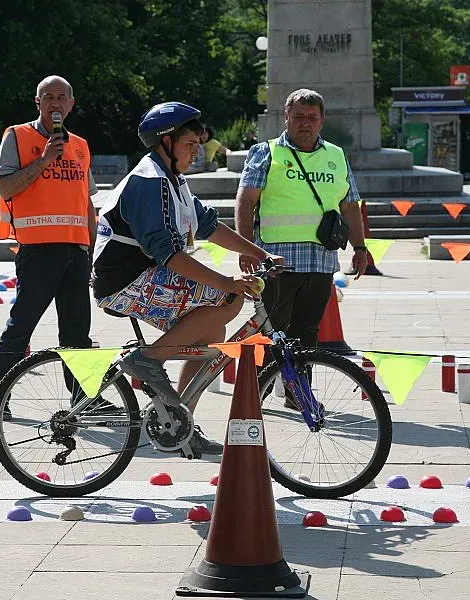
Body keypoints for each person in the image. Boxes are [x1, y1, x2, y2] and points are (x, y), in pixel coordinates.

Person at [93, 101, 281, 458]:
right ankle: (147, 359)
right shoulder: (149, 182)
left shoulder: (172, 181)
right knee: (227, 299)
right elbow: (170, 256)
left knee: (211, 332)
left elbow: (209, 226)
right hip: (123, 282)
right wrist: (226, 282)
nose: (196, 152)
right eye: (189, 144)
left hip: (143, 275)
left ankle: (180, 425)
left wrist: (260, 254)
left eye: (198, 144)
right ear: (166, 142)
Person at [0, 75, 98, 420]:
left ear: (71, 104)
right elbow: (6, 188)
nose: (55, 103)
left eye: (61, 97)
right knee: (21, 326)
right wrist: (45, 159)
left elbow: (87, 203)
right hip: (37, 250)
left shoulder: (80, 145)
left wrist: (92, 251)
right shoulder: (17, 136)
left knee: (78, 332)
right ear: (38, 103)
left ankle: (84, 399)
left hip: (76, 251)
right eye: (48, 97)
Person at [235, 88, 370, 362]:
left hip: (320, 263)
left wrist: (360, 247)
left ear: (322, 120)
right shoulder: (265, 153)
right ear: (286, 117)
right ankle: (263, 382)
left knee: (307, 334)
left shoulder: (336, 156)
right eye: (298, 117)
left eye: (311, 117)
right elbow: (245, 201)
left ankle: (299, 385)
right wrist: (246, 248)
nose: (305, 123)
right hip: (276, 263)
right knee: (271, 332)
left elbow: (350, 205)